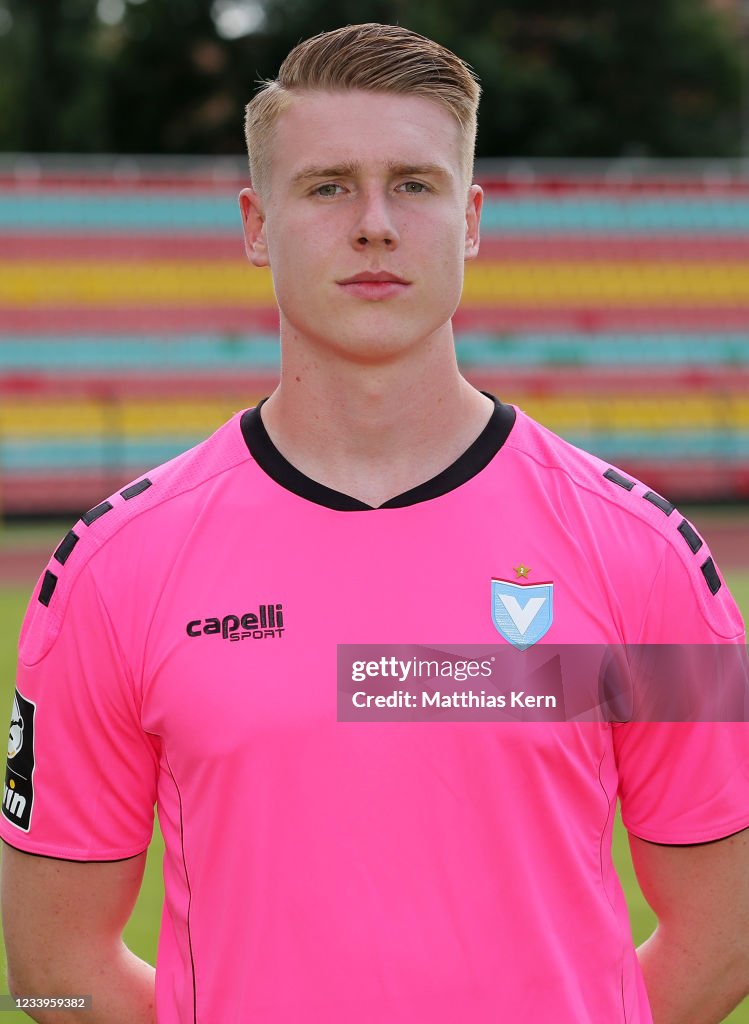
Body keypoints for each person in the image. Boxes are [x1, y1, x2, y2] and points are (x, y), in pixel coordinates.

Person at [2, 22, 748, 1024]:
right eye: (326, 187)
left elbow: (728, 922)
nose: (373, 225)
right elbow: (52, 962)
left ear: (470, 216)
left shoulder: (649, 557)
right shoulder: (107, 568)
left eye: (413, 183)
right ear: (255, 223)